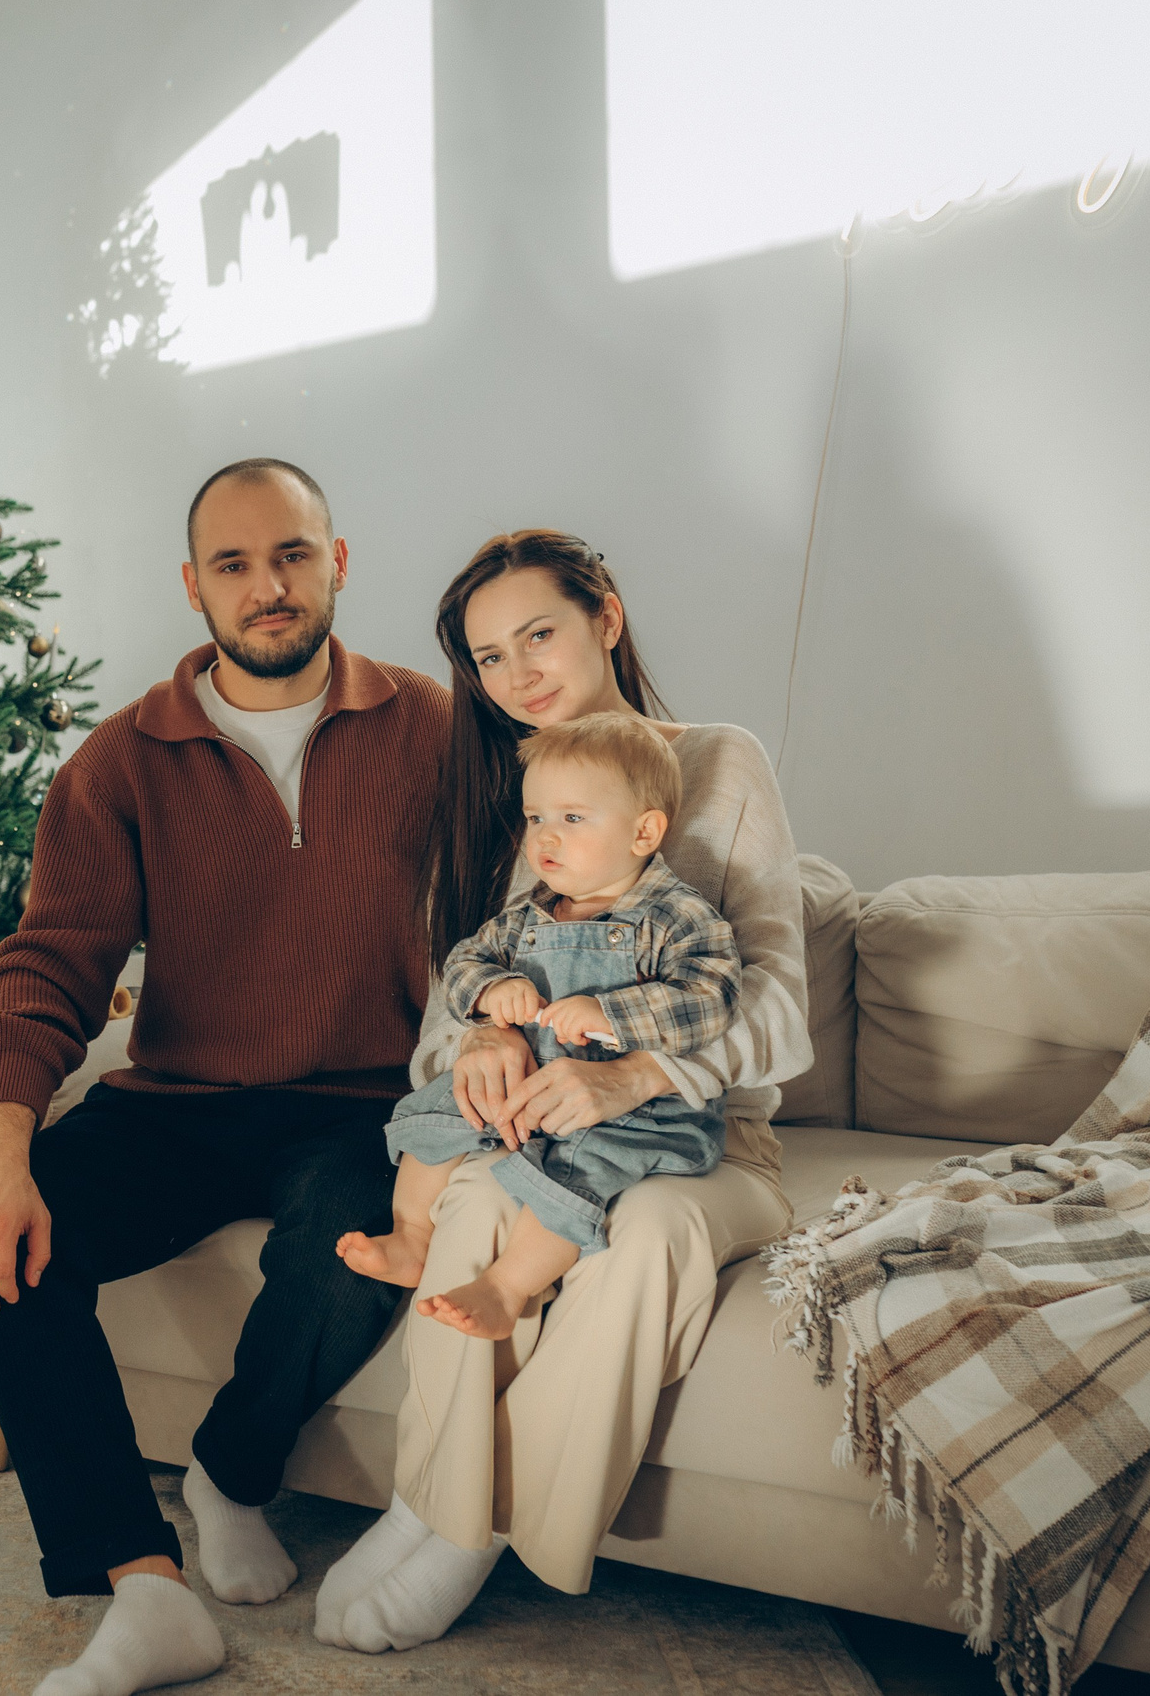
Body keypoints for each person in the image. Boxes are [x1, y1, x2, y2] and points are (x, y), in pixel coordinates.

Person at [0, 458, 451, 1696]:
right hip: (178, 1098)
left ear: (338, 561)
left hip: (364, 1105)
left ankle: (230, 1468)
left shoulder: (437, 730)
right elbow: (50, 964)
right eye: (232, 563)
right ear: (193, 587)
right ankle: (141, 1583)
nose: (265, 586)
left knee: (356, 1240)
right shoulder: (121, 763)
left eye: (289, 554)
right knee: (2, 1246)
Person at [315, 530, 811, 1655]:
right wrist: (470, 1053)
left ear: (606, 618)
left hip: (708, 1141)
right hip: (540, 1129)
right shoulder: (520, 807)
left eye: (537, 633)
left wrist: (636, 1071)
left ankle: (470, 1533)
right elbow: (466, 995)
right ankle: (424, 1500)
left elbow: (778, 1012)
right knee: (473, 1207)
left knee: (643, 1243)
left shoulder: (718, 766)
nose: (518, 672)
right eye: (489, 658)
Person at [340, 714, 741, 1340]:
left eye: (573, 819)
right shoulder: (526, 916)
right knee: (443, 1107)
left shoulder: (680, 917)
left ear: (644, 832)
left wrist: (613, 1013)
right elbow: (462, 965)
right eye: (535, 818)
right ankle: (413, 1236)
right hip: (527, 1085)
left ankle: (506, 1288)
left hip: (632, 1112)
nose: (544, 838)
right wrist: (492, 993)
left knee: (578, 1168)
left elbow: (711, 997)